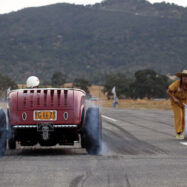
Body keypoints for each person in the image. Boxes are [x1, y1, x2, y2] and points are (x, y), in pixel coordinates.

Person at [167, 70, 187, 139]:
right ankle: (178, 133)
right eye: (184, 76)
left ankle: (183, 132)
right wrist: (174, 98)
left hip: (185, 102)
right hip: (175, 101)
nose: (185, 78)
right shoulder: (177, 84)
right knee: (179, 116)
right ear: (181, 78)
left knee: (184, 117)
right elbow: (168, 91)